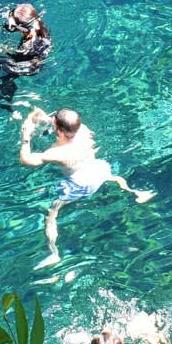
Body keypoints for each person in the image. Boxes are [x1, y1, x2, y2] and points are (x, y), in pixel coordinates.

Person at [19, 106, 154, 267]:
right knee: (114, 178)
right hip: (99, 170)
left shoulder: (55, 153)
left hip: (81, 184)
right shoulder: (82, 131)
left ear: (59, 131)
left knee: (52, 213)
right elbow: (66, 123)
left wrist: (25, 137)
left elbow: (26, 160)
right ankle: (136, 192)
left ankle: (54, 253)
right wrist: (42, 118)